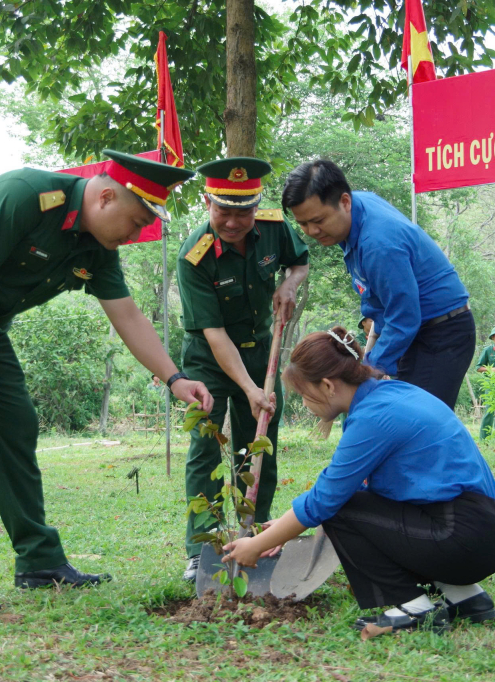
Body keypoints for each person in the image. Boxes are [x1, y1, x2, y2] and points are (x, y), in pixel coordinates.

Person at [0, 150, 213, 616]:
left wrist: (175, 379)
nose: (136, 234)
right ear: (105, 197)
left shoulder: (98, 247)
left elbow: (127, 314)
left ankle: (39, 562)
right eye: (136, 221)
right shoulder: (26, 194)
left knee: (16, 425)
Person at [222, 327, 495, 634]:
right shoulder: (393, 393)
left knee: (339, 509)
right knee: (352, 503)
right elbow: (360, 493)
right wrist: (283, 525)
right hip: (487, 530)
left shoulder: (374, 418)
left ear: (327, 385)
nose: (306, 405)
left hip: (462, 538)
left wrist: (256, 545)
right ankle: (465, 597)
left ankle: (413, 607)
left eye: (306, 395)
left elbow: (325, 501)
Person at [176, 157, 309, 582]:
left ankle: (257, 532)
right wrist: (252, 389)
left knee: (259, 443)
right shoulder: (193, 257)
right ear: (206, 201)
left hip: (260, 350)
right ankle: (204, 545)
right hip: (209, 361)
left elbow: (300, 262)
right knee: (206, 447)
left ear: (258, 206)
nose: (233, 222)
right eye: (223, 211)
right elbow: (214, 335)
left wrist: (289, 283)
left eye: (243, 211)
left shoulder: (272, 227)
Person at [281, 159, 473, 408]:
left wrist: (366, 372)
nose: (312, 231)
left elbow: (404, 318)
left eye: (318, 220)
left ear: (345, 202)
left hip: (441, 334)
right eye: (303, 223)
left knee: (418, 424)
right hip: (416, 332)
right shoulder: (355, 212)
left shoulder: (378, 244)